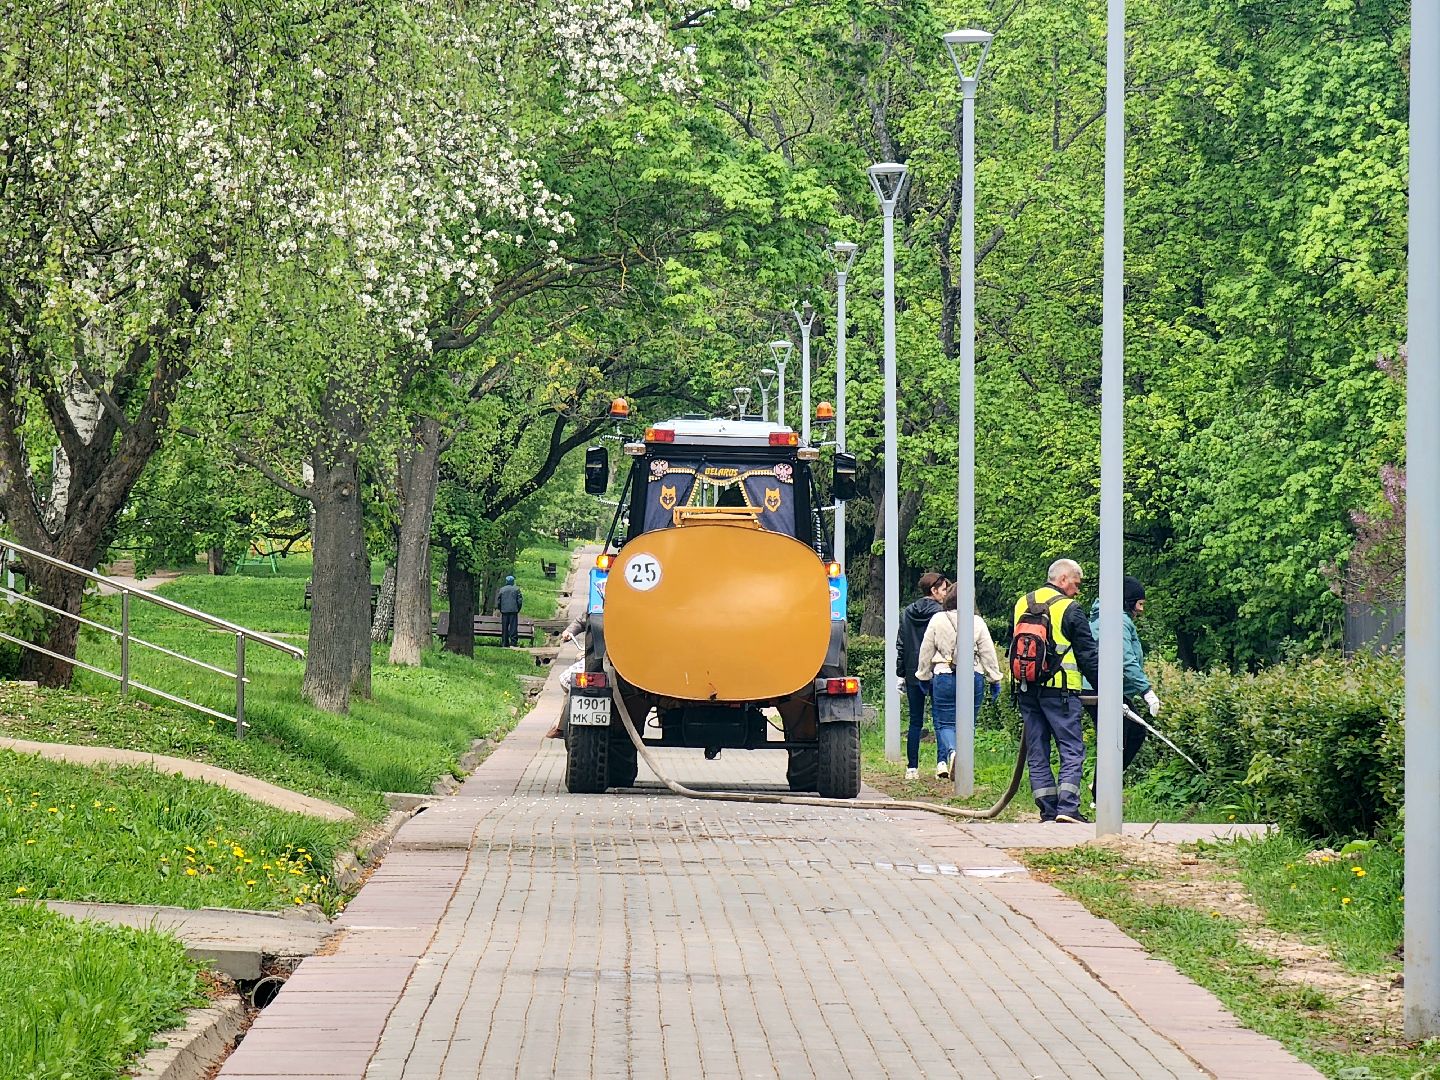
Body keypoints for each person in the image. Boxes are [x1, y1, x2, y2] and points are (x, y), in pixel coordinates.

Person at [1010, 558, 1100, 824]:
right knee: (1071, 748)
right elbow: (1087, 655)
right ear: (1062, 579)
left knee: (1037, 749)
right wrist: (1105, 689)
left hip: (1027, 688)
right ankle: (1068, 808)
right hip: (1061, 691)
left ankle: (1047, 809)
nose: (1077, 589)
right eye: (1076, 582)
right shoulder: (1070, 608)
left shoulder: (1022, 603)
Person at [916, 585, 1003, 781]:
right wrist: (994, 678)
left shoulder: (938, 619)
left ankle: (953, 752)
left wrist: (923, 675)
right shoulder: (977, 622)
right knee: (968, 722)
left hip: (944, 675)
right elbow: (988, 653)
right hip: (973, 676)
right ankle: (965, 763)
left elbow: (926, 650)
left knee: (946, 722)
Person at [1086, 575, 1161, 772]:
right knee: (1123, 736)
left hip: (1102, 688)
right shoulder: (1117, 621)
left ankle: (1100, 789)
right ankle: (1101, 793)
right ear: (1128, 601)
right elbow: (1125, 659)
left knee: (1129, 734)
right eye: (1140, 604)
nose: (1141, 610)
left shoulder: (1108, 618)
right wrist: (1147, 691)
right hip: (1102, 689)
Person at [896, 572, 948, 780]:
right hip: (937, 671)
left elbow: (901, 644)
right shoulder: (942, 614)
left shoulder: (907, 612)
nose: (946, 593)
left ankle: (912, 768)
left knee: (915, 721)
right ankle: (941, 764)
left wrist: (900, 674)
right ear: (933, 591)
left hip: (912, 672)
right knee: (940, 719)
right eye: (943, 589)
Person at [495, 574, 523, 647]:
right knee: (513, 627)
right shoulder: (516, 589)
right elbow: (519, 601)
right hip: (513, 611)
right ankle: (513, 642)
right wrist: (518, 609)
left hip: (504, 611)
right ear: (513, 582)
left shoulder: (502, 589)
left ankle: (504, 642)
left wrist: (500, 608)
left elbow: (498, 601)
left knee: (504, 627)